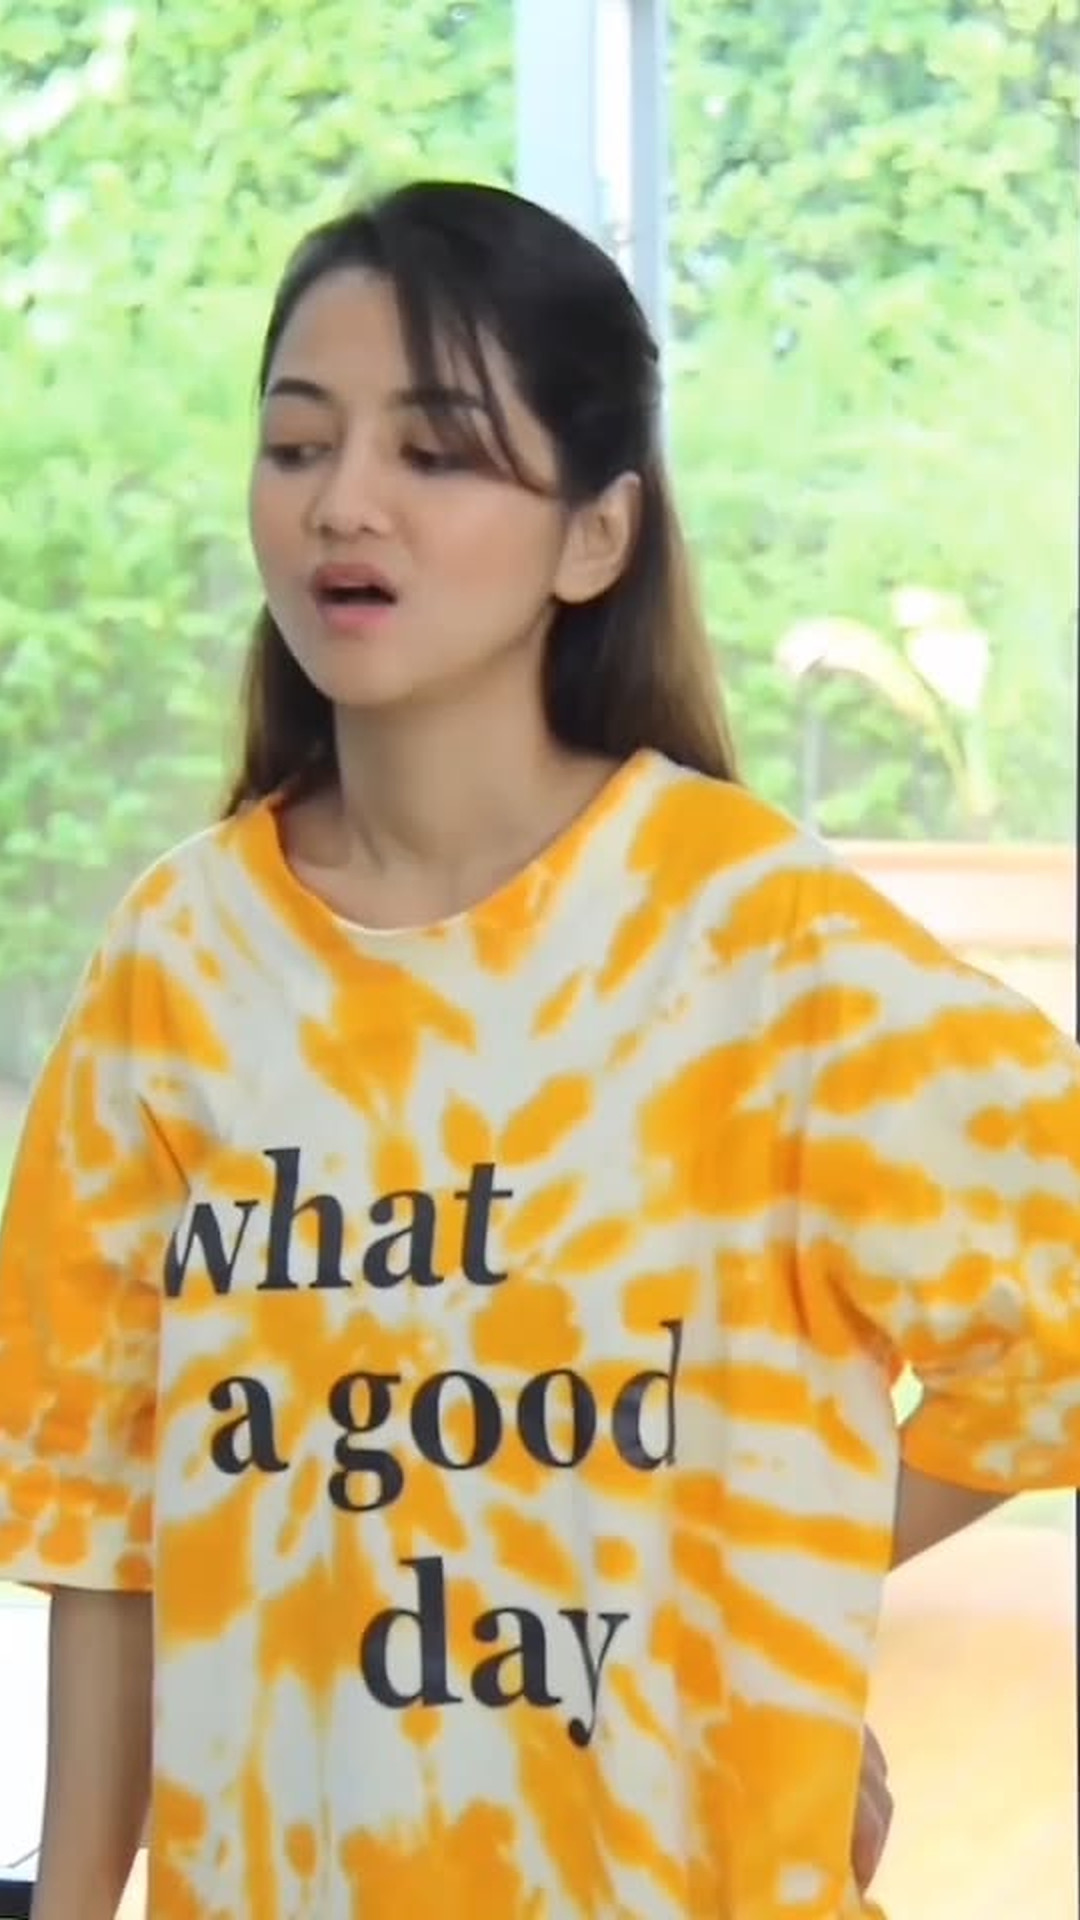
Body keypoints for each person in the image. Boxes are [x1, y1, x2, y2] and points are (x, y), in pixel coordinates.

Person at [0, 177, 1074, 1920]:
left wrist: (768, 1587)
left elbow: (1054, 1331)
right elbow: (104, 1521)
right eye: (297, 444)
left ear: (596, 534)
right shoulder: (175, 964)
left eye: (435, 451)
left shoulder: (759, 945)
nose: (344, 502)